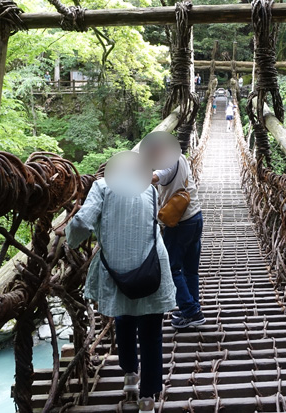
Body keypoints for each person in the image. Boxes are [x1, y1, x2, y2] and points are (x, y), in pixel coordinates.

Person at [65, 168, 176, 412]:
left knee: (123, 319)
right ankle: (148, 398)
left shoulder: (102, 186)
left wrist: (69, 240)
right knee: (151, 332)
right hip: (152, 268)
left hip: (118, 270)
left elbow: (83, 220)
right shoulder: (149, 187)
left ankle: (129, 376)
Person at [150, 152, 204, 329]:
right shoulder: (181, 157)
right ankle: (192, 308)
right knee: (190, 270)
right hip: (195, 216)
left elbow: (156, 176)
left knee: (171, 268)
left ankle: (190, 310)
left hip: (180, 222)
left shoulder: (168, 161)